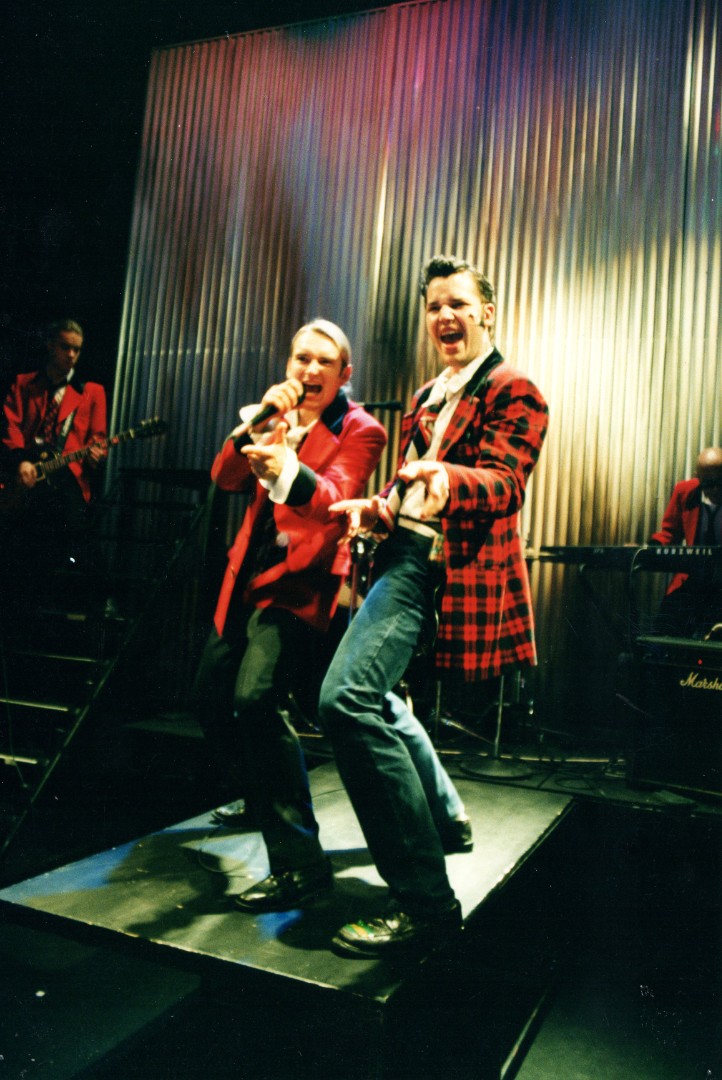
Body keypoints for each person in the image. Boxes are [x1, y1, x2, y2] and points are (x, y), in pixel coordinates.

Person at [317, 255, 549, 957]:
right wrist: (378, 507)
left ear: (487, 313)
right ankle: (445, 821)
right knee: (377, 698)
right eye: (434, 306)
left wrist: (446, 479)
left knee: (347, 700)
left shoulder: (514, 388)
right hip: (404, 555)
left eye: (458, 304)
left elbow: (505, 482)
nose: (444, 316)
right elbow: (407, 489)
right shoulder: (428, 394)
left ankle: (424, 904)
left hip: (438, 570)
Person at [192, 319, 388, 913]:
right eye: (302, 358)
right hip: (245, 577)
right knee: (209, 696)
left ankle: (300, 863)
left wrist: (286, 469)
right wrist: (255, 427)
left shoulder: (361, 429)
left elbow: (333, 498)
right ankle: (260, 796)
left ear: (344, 374)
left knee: (256, 699)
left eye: (324, 362)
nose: (310, 370)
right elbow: (223, 477)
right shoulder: (273, 416)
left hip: (299, 583)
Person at [0, 319, 107, 614]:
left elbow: (98, 439)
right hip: (27, 475)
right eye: (65, 347)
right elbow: (10, 426)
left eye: (77, 350)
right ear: (50, 346)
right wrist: (21, 460)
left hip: (67, 481)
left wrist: (97, 454)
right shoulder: (24, 383)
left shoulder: (92, 391)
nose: (71, 355)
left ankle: (90, 603)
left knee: (70, 541)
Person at [648, 447, 722, 638]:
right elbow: (669, 533)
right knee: (663, 632)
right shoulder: (686, 492)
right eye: (709, 484)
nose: (716, 490)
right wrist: (651, 548)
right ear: (698, 478)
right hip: (692, 581)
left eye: (721, 482)